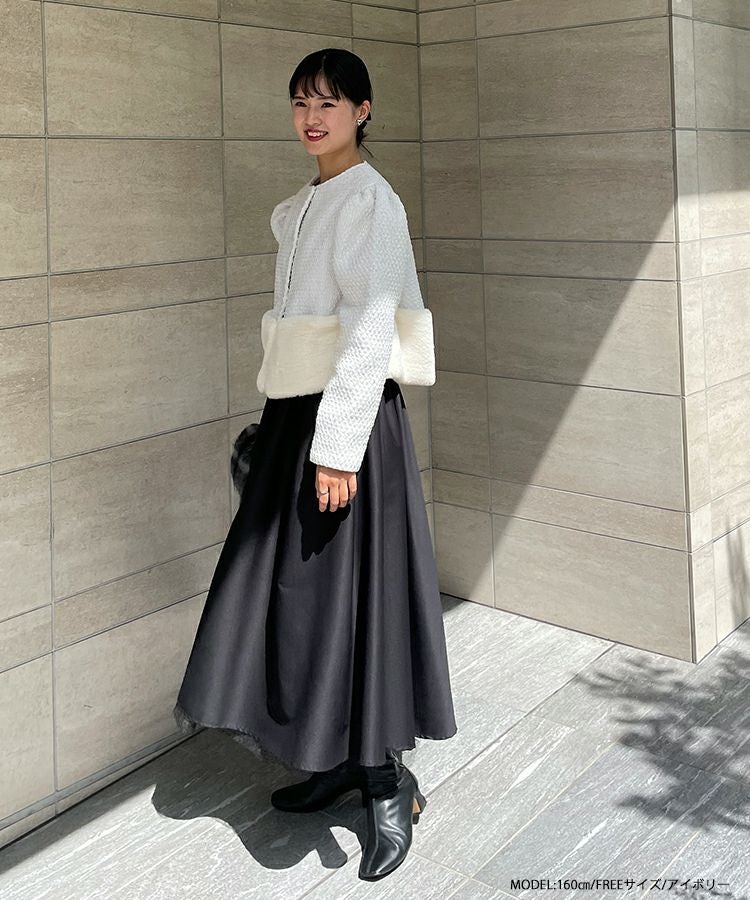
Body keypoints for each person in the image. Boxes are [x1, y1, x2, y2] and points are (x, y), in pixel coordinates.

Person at [172, 47, 457, 881]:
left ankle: (386, 783)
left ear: (363, 110)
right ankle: (337, 758)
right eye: (301, 101)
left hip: (349, 422)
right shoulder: (304, 204)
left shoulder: (370, 200)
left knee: (355, 598)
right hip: (301, 413)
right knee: (306, 598)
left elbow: (369, 328)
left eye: (329, 102)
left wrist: (338, 449)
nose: (311, 116)